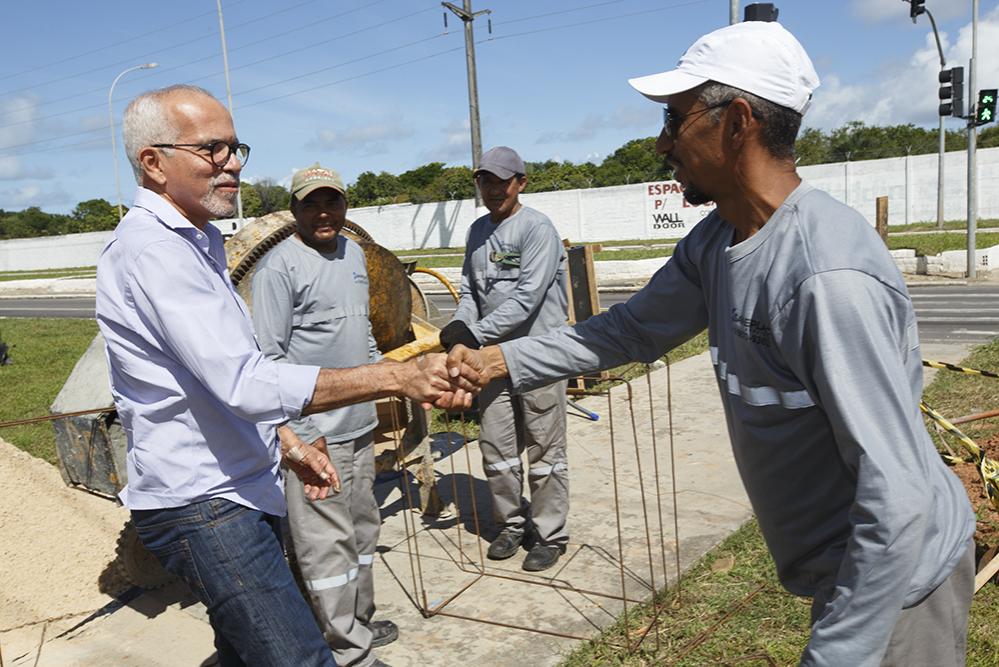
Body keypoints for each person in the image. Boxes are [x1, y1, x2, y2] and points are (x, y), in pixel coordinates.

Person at [444, 22, 976, 666]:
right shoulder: (717, 239)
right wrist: (499, 360)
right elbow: (631, 329)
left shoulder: (824, 277)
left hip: (897, 584)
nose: (662, 142)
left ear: (738, 122)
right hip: (846, 569)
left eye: (675, 118)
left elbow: (898, 500)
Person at [95, 85, 473, 667]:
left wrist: (286, 442)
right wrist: (397, 378)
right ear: (153, 162)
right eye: (212, 149)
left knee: (244, 655)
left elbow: (210, 380)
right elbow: (248, 382)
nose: (233, 163)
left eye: (235, 147)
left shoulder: (198, 242)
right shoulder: (156, 253)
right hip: (206, 503)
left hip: (238, 484)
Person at [251, 163, 396, 667]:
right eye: (310, 203)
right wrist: (303, 435)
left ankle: (360, 621)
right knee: (325, 547)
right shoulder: (278, 269)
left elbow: (364, 331)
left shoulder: (353, 254)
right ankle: (347, 651)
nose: (323, 212)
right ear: (293, 210)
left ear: (345, 205)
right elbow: (269, 362)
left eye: (331, 201)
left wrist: (386, 380)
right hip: (317, 441)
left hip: (359, 428)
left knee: (362, 530)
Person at [438, 146, 570, 572]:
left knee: (545, 448)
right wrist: (459, 325)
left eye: (502, 182)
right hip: (489, 360)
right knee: (496, 447)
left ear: (521, 183)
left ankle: (549, 534)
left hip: (538, 355)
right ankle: (511, 523)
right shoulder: (477, 231)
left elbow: (528, 298)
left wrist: (472, 334)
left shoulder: (537, 229)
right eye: (485, 182)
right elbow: (470, 292)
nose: (494, 190)